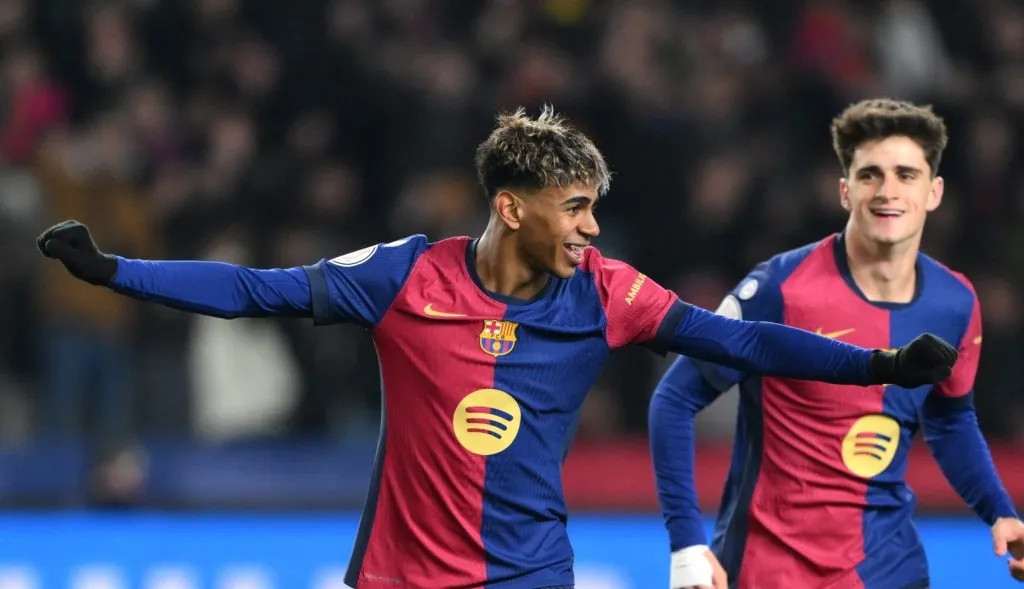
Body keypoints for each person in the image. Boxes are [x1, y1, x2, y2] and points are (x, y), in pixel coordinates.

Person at [38, 106, 957, 589]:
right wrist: (114, 269)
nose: (593, 228)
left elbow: (743, 342)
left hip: (528, 574)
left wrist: (875, 367)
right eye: (576, 208)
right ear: (511, 207)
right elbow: (253, 290)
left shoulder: (608, 292)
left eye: (595, 206)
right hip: (398, 574)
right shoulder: (404, 276)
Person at [650, 98, 1024, 589]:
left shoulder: (956, 302)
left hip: (888, 569)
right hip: (770, 569)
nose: (887, 191)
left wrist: (998, 510)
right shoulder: (778, 289)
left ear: (934, 192)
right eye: (870, 174)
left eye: (906, 175)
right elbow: (674, 398)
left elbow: (950, 418)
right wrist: (686, 542)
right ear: (845, 191)